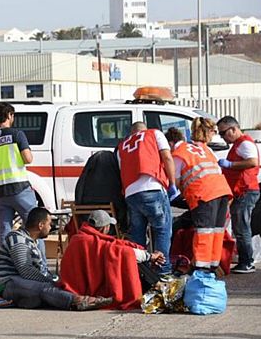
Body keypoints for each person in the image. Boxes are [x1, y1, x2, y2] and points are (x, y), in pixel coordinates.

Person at [0, 207, 113, 311]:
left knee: (47, 290)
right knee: (45, 289)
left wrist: (56, 280)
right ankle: (78, 301)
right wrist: (51, 282)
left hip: (20, 281)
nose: (51, 227)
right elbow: (26, 270)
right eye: (49, 224)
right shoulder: (18, 239)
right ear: (40, 225)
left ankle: (27, 299)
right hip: (6, 282)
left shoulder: (32, 241)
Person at [59, 210, 165, 310]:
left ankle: (158, 283)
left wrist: (149, 256)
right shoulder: (101, 244)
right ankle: (158, 284)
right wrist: (150, 256)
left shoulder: (77, 238)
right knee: (128, 257)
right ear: (104, 227)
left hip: (74, 286)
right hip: (92, 289)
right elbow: (127, 253)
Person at [168, 119, 233, 273]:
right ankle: (212, 266)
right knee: (217, 232)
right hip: (222, 191)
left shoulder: (179, 153)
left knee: (204, 232)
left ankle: (201, 270)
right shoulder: (206, 149)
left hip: (204, 195)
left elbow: (174, 181)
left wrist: (171, 194)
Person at [116, 121, 176, 274]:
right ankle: (162, 270)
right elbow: (167, 158)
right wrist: (172, 183)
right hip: (152, 188)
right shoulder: (154, 134)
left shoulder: (122, 146)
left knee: (137, 234)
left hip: (131, 193)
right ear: (144, 129)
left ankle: (140, 272)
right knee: (162, 229)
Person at [0, 102, 38, 246]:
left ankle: (5, 265)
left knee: (4, 230)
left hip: (0, 192)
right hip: (20, 189)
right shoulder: (17, 134)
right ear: (9, 115)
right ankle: (39, 265)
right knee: (34, 226)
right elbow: (28, 159)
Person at [217, 116, 260, 274]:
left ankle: (247, 262)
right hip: (242, 190)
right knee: (240, 226)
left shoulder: (244, 144)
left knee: (241, 227)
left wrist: (230, 165)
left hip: (245, 190)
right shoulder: (239, 144)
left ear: (233, 129)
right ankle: (245, 260)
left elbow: (252, 162)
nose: (222, 137)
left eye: (223, 133)